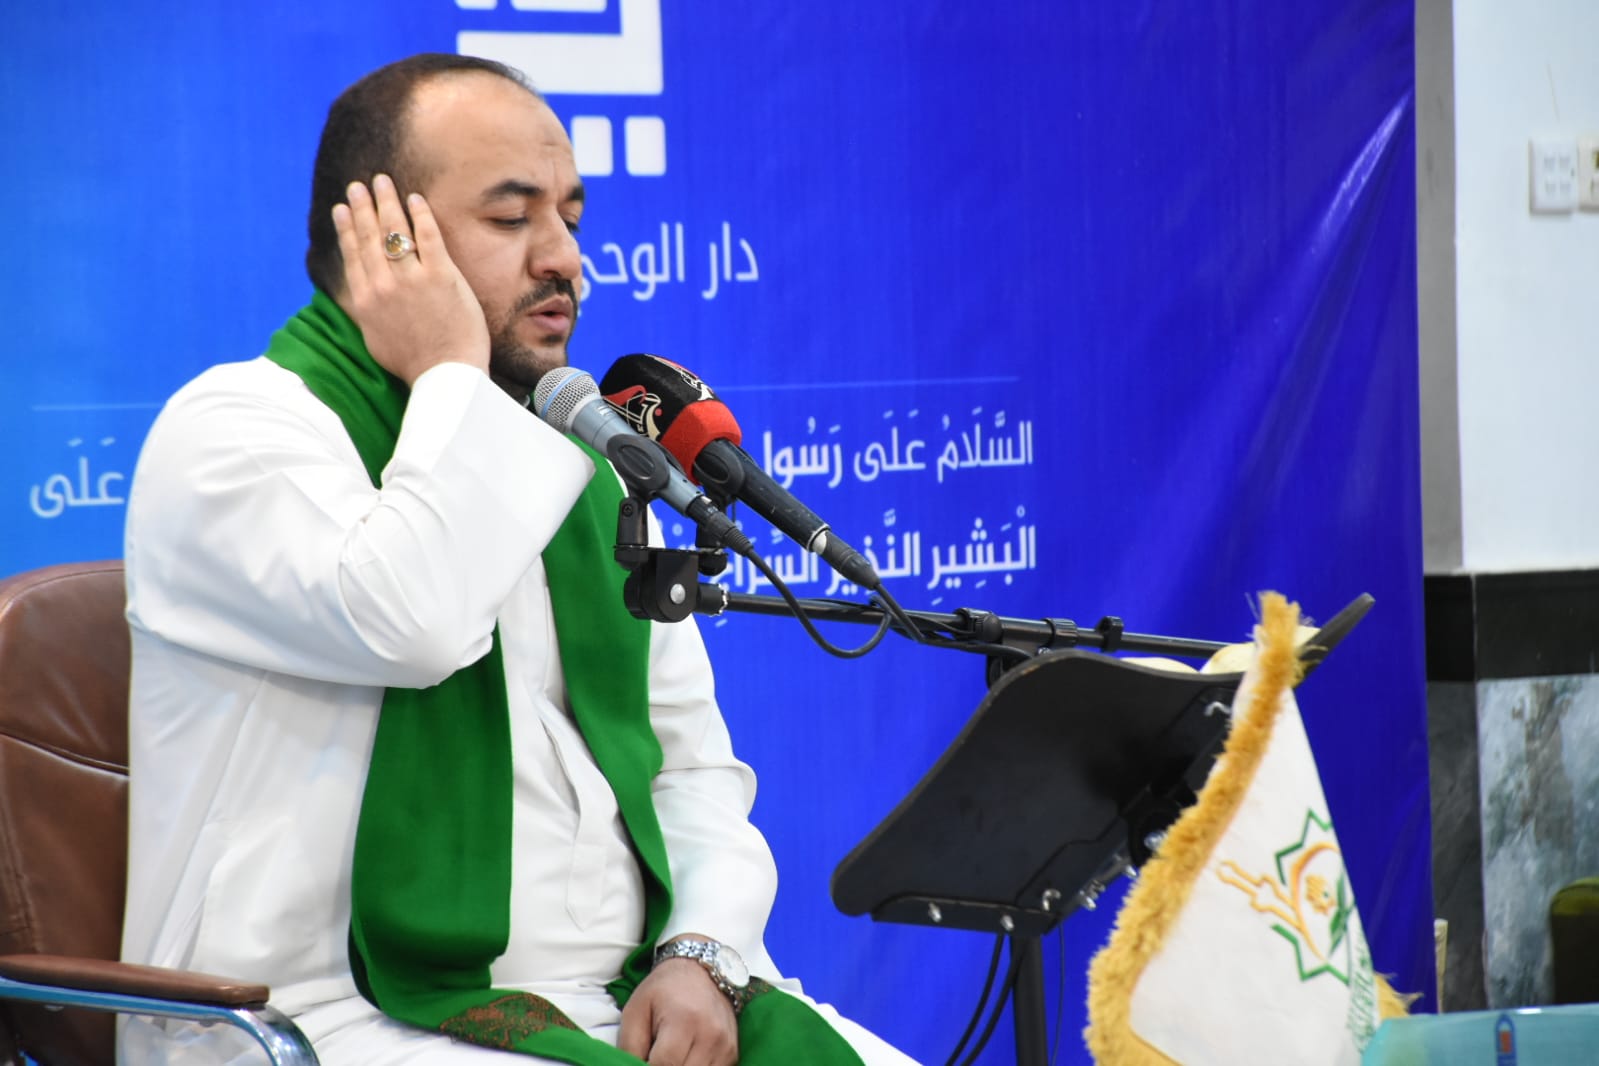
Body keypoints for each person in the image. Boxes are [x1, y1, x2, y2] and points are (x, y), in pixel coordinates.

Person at [119, 53, 918, 1066]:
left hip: (614, 1000)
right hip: (321, 1014)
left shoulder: (577, 461)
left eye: (571, 218)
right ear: (382, 237)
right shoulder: (236, 432)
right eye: (511, 217)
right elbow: (413, 619)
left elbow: (688, 766)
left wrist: (702, 955)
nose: (565, 260)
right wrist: (449, 366)